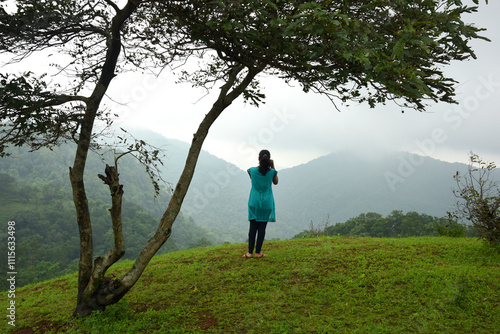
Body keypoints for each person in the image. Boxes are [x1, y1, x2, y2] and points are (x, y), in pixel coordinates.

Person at [243, 149, 278, 258]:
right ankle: (258, 253)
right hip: (267, 202)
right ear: (270, 160)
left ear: (258, 159)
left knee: (252, 227)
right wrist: (273, 167)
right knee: (262, 228)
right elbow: (276, 182)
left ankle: (249, 253)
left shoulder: (252, 170)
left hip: (254, 201)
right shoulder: (272, 172)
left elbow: (252, 179)